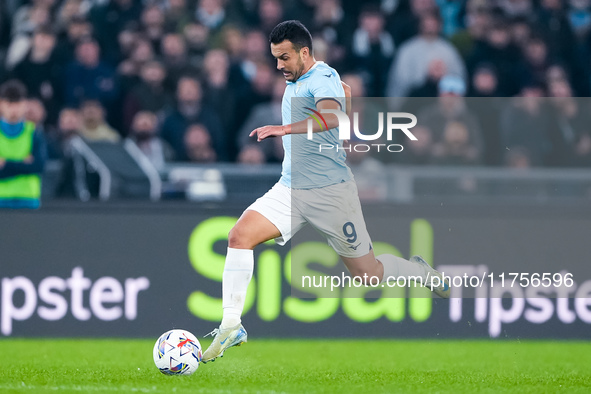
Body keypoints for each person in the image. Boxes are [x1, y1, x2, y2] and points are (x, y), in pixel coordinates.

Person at [201, 20, 450, 364]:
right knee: (239, 236)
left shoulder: (320, 78)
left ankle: (419, 272)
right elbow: (345, 93)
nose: (279, 66)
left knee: (368, 275)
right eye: (275, 58)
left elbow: (331, 117)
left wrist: (284, 128)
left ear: (304, 52)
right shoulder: (310, 77)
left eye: (284, 58)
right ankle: (232, 324)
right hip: (290, 188)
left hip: (331, 194)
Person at [0, 79, 46, 209]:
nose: (14, 109)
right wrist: (23, 164)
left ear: (25, 104)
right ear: (1, 104)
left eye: (18, 104)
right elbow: (32, 167)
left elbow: (38, 166)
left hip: (28, 200)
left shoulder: (34, 132)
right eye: (9, 104)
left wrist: (6, 164)